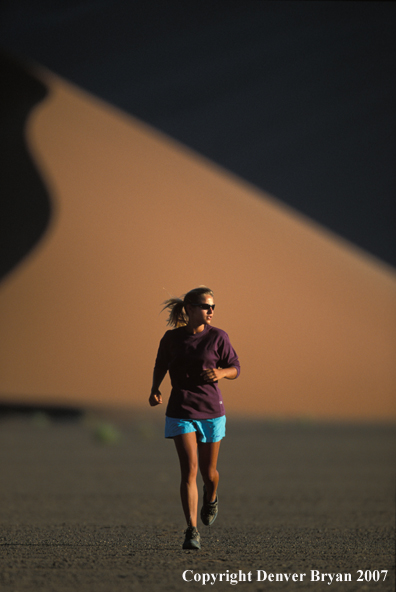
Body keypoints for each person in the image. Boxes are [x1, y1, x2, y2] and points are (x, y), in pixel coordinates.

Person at [149, 286, 240, 550]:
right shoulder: (171, 338)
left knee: (208, 474)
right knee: (189, 470)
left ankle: (211, 498)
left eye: (212, 306)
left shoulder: (218, 337)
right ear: (189, 309)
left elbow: (236, 368)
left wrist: (221, 373)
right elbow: (160, 364)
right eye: (204, 306)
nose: (210, 311)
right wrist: (155, 388)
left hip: (212, 412)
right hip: (181, 410)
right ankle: (191, 530)